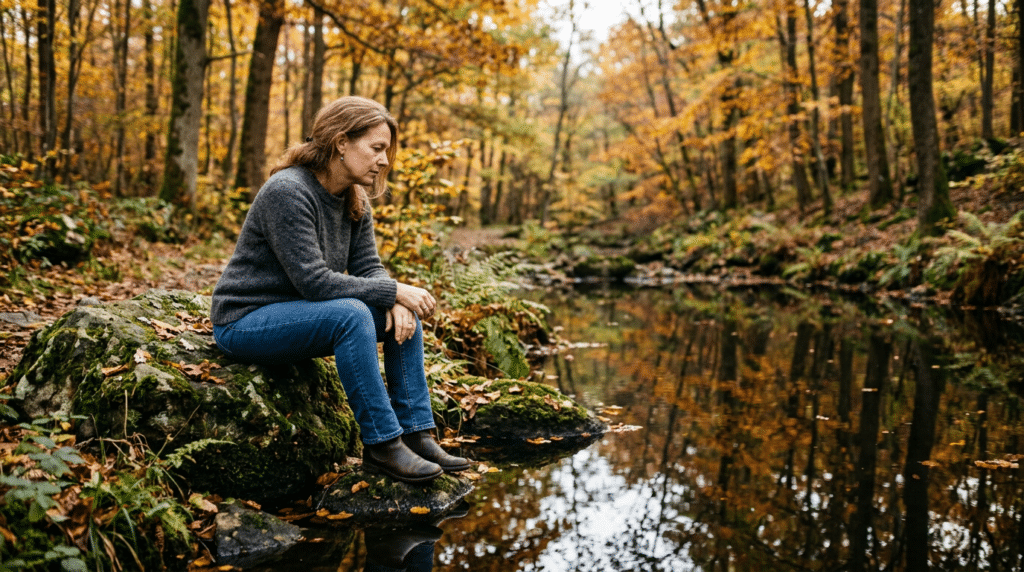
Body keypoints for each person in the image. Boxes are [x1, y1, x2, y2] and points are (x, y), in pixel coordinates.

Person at [210, 96, 470, 484]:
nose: (385, 160)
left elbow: (368, 268)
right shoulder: (287, 191)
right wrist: (394, 291)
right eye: (376, 148)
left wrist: (396, 299)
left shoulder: (355, 196)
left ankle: (417, 432)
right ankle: (383, 445)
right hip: (246, 322)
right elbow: (314, 281)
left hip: (299, 315)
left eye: (387, 151)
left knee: (403, 313)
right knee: (352, 314)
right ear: (341, 142)